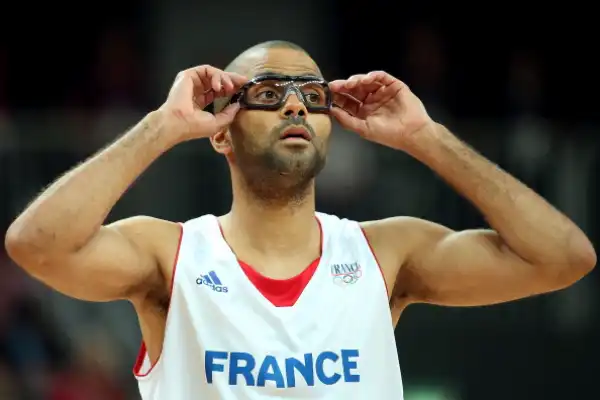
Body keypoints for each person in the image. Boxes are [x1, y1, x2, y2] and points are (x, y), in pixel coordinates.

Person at [4, 40, 596, 399]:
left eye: (313, 96)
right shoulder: (171, 255)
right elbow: (36, 244)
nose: (295, 104)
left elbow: (564, 258)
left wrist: (427, 137)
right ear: (220, 133)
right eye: (268, 93)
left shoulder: (384, 254)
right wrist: (162, 125)